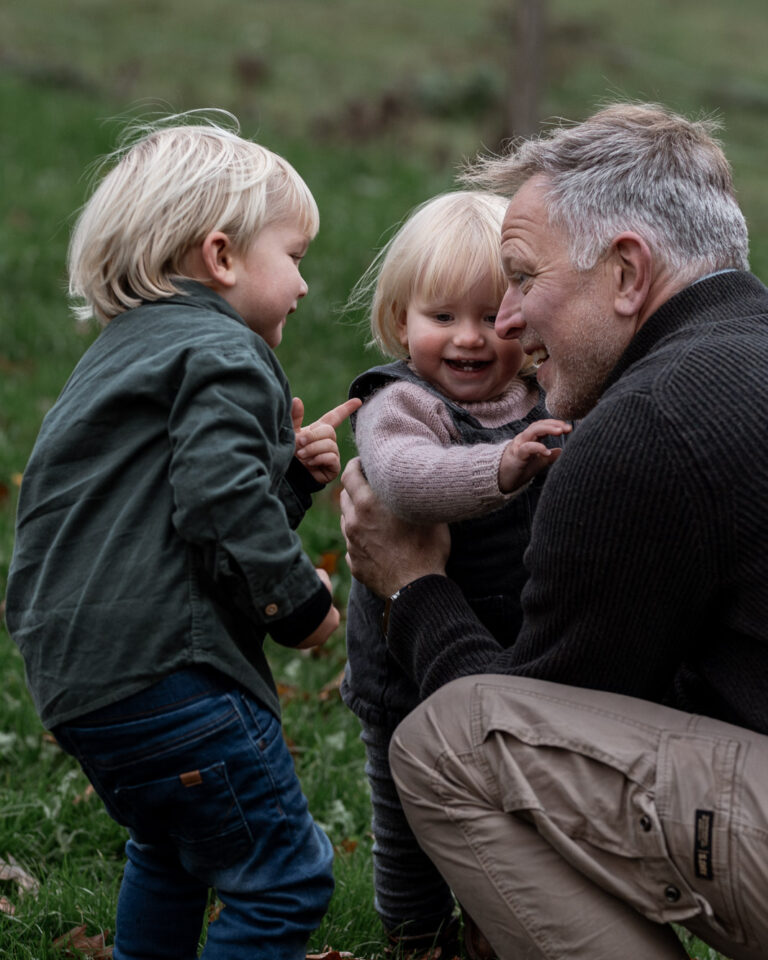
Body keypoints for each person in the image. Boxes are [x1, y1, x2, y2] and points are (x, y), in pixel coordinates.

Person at [340, 103, 768, 960]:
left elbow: (531, 733)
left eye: (523, 277)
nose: (502, 322)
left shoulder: (652, 424)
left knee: (451, 742)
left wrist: (412, 586)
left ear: (625, 273)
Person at [5, 112, 361, 960]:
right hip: (174, 671)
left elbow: (187, 507)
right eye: (296, 258)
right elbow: (218, 502)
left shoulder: (118, 355)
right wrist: (298, 603)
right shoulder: (225, 353)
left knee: (170, 850)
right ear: (223, 257)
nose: (306, 286)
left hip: (80, 679)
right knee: (283, 879)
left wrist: (293, 477)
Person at [340, 192, 569, 954]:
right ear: (399, 321)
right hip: (404, 664)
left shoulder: (544, 396)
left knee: (509, 816)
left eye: (494, 318)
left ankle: (492, 924)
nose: (469, 340)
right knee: (407, 812)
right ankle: (413, 935)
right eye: (442, 317)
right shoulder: (400, 403)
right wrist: (500, 467)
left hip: (512, 649)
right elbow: (405, 481)